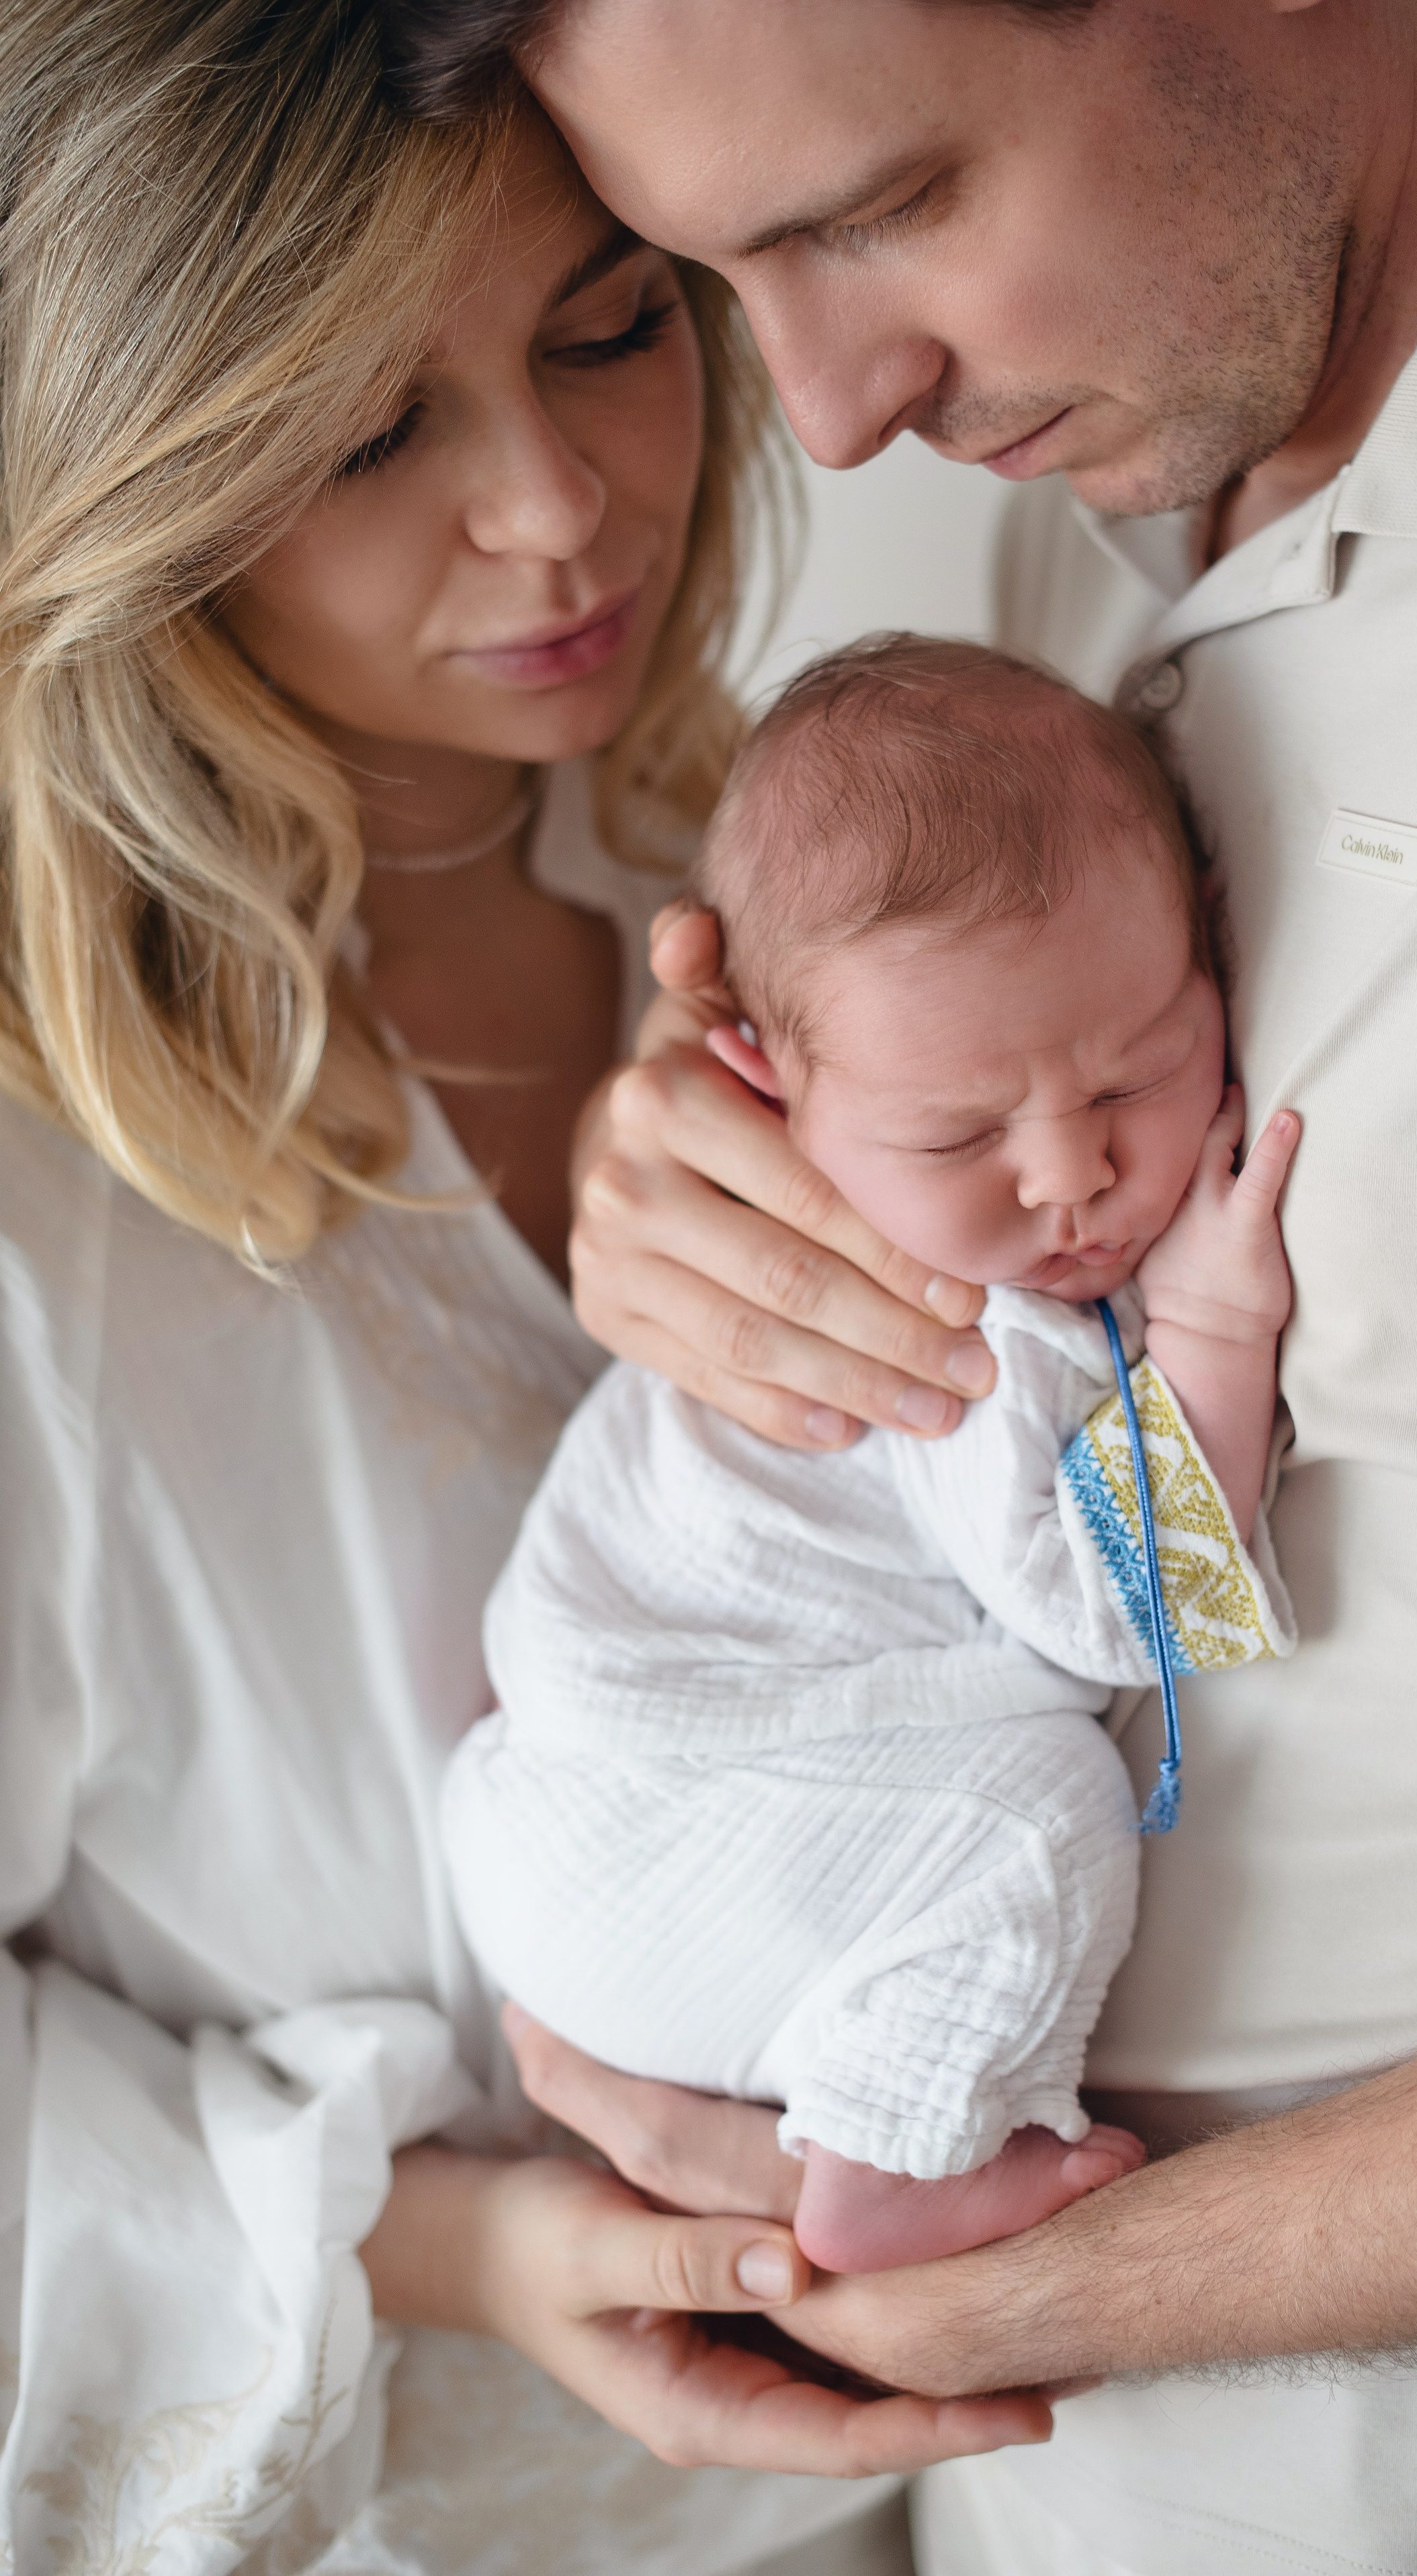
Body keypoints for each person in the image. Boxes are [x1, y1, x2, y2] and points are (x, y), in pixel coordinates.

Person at [378, 1, 1417, 2568]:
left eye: (868, 212)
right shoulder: (1051, 534)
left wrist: (1014, 2290)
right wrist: (713, 1192)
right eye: (716, 280)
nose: (836, 408)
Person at [0, 5, 1047, 2567]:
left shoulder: (830, 888)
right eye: (367, 433)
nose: (563, 509)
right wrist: (446, 2241)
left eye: (608, 329)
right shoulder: (46, 1201)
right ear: (118, 464)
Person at [441, 635, 1298, 2275]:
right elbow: (1120, 1617)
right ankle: (892, 2144)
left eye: (1136, 1066)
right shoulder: (953, 1323)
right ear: (753, 1078)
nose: (1069, 1177)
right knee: (1048, 1813)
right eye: (957, 1134)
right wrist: (1209, 1336)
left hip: (579, 1821)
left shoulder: (950, 1167)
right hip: (665, 1834)